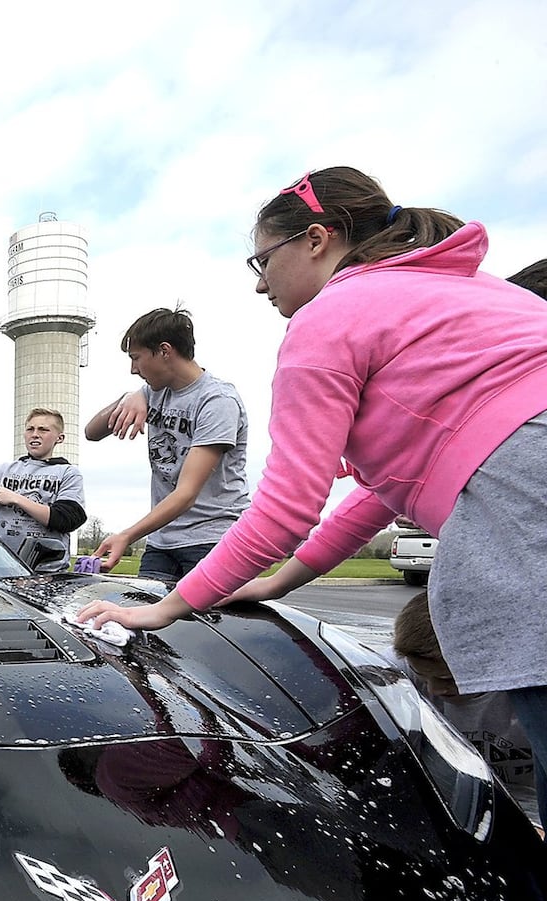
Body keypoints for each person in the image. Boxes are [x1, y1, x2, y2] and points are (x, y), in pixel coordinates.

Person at [76, 168, 547, 787]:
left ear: (317, 240)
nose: (260, 285)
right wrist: (279, 583)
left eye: (262, 261)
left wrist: (167, 608)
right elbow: (375, 499)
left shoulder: (330, 317)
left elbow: (286, 509)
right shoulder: (472, 292)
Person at [82, 308, 250, 585]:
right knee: (148, 621)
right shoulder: (152, 392)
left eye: (136, 358)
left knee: (205, 625)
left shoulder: (217, 401)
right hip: (162, 541)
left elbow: (186, 494)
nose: (133, 369)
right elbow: (92, 432)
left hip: (211, 538)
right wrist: (127, 397)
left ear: (164, 351)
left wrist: (126, 535)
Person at [393, 591, 536, 824]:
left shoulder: (529, 689)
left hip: (529, 809)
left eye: (449, 679)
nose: (435, 690)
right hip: (443, 804)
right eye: (422, 675)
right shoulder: (396, 672)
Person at [0, 408, 87, 573]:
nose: (35, 434)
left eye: (43, 429)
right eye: (30, 429)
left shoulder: (67, 472)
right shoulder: (5, 470)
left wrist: (17, 499)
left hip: (47, 571)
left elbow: (67, 519)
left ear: (60, 438)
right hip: (4, 567)